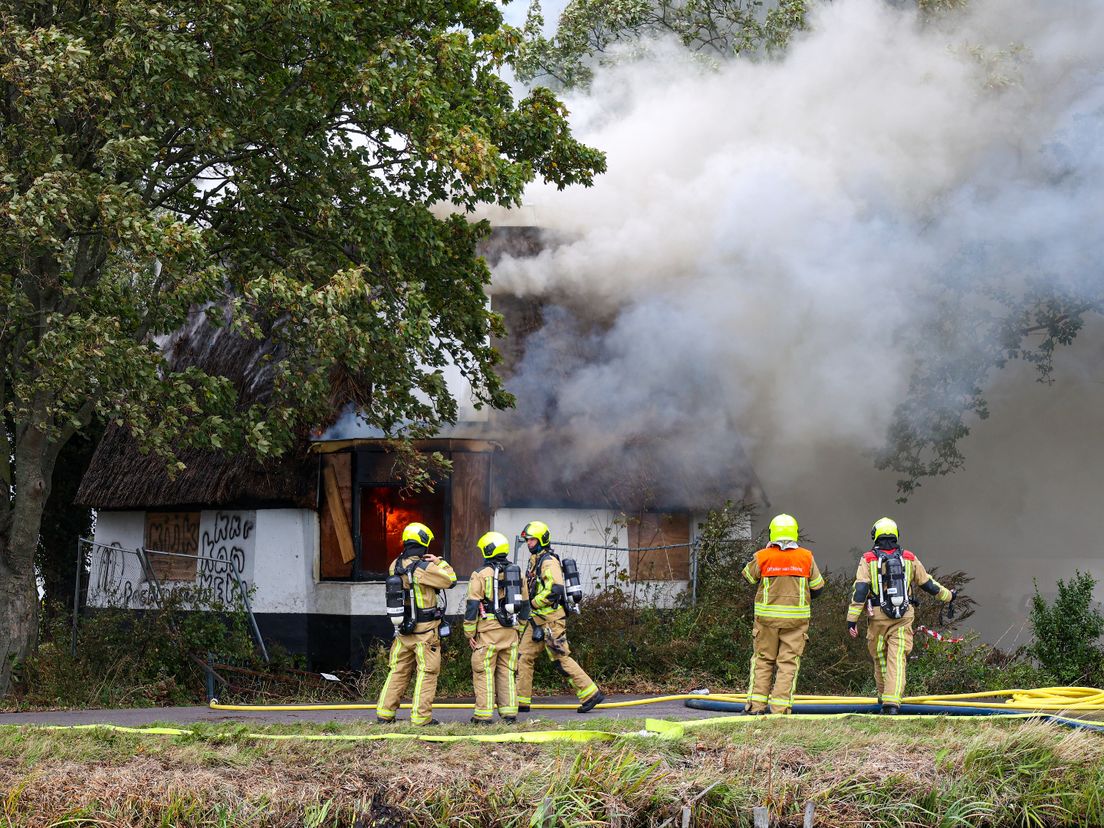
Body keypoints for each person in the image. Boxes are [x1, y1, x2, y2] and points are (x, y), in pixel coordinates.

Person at [847, 517, 955, 714]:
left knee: (880, 657)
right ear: (896, 535)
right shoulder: (909, 557)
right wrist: (949, 596)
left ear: (875, 535)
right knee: (896, 659)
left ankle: (885, 699)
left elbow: (860, 589)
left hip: (877, 618)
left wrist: (851, 619)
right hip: (903, 616)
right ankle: (891, 703)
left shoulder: (868, 559)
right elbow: (928, 584)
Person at [515, 520, 604, 713]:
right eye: (527, 540)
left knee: (560, 658)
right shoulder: (535, 560)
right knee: (523, 657)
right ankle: (521, 701)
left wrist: (532, 604)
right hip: (536, 620)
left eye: (532, 540)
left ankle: (591, 694)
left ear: (541, 540)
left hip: (551, 621)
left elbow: (554, 589)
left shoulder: (548, 561)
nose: (528, 543)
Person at [741, 513, 825, 714]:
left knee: (763, 660)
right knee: (788, 664)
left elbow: (748, 578)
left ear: (772, 533)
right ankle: (780, 710)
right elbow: (818, 588)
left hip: (766, 622)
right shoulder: (806, 557)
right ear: (795, 533)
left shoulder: (763, 556)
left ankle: (755, 707)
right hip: (796, 623)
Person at [375, 522, 457, 725]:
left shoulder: (395, 565)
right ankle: (421, 717)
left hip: (403, 630)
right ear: (423, 543)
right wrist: (439, 562)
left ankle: (385, 713)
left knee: (398, 671)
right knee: (427, 672)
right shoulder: (425, 567)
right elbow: (450, 580)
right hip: (425, 631)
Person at [463, 531, 528, 724]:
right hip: (511, 631)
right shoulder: (518, 573)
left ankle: (483, 716)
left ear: (487, 550)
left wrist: (469, 632)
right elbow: (525, 606)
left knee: (483, 672)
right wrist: (520, 628)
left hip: (488, 632)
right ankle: (509, 714)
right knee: (507, 672)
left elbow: (472, 605)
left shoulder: (480, 574)